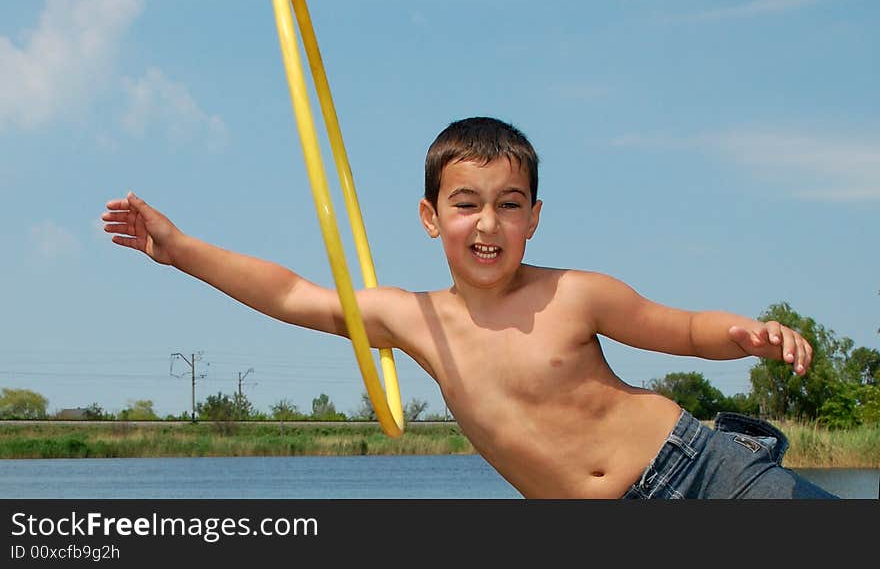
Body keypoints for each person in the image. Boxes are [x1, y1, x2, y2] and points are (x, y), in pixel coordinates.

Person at [102, 116, 838, 499]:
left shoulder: (573, 292)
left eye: (508, 205)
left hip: (702, 472)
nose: (488, 222)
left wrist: (745, 334)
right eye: (466, 204)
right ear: (430, 216)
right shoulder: (412, 318)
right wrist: (182, 248)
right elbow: (295, 292)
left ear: (535, 216)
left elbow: (678, 328)